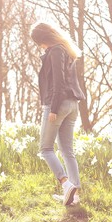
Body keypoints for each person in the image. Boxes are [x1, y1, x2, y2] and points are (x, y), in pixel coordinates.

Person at [30, 22, 86, 206]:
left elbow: (58, 82)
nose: (40, 47)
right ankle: (74, 195)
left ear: (43, 40)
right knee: (67, 150)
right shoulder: (66, 50)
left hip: (58, 104)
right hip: (72, 105)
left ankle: (65, 183)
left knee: (45, 149)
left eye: (39, 43)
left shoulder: (55, 51)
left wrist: (53, 108)